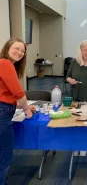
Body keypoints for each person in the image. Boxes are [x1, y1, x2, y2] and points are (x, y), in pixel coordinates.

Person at [0, 37, 33, 185]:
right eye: (16, 49)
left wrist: (19, 106)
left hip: (5, 108)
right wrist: (26, 109)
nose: (20, 53)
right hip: (2, 113)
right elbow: (18, 93)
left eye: (23, 51)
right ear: (7, 48)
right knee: (4, 154)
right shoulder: (5, 63)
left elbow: (6, 94)